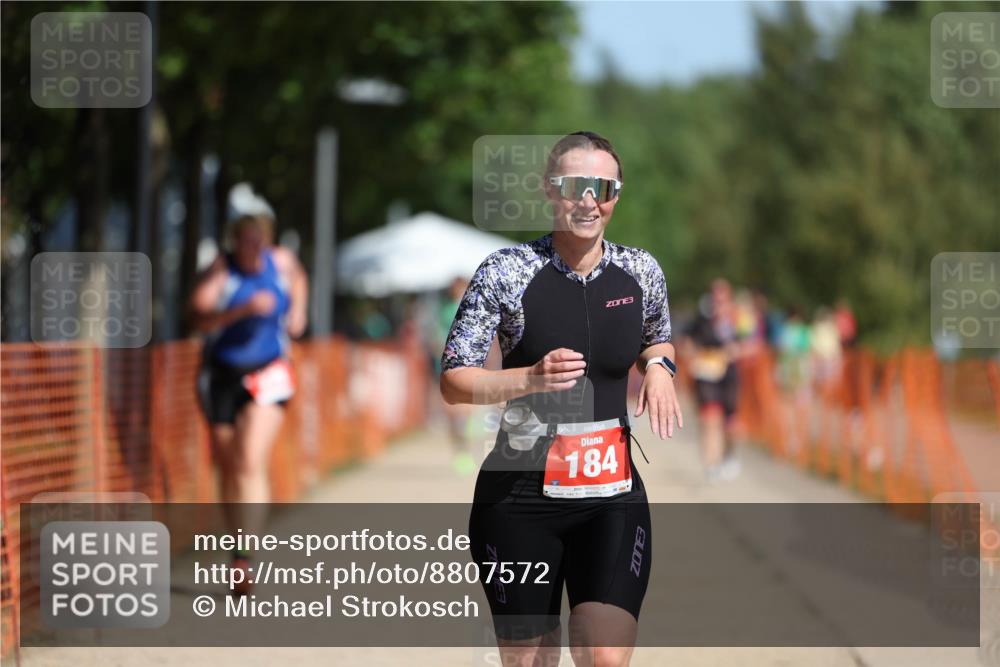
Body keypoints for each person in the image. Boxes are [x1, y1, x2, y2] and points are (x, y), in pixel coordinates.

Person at [440, 131, 681, 666]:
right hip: (518, 498)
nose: (589, 199)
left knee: (604, 652)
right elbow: (454, 378)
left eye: (603, 186)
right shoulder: (506, 271)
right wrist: (527, 379)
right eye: (575, 185)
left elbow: (656, 338)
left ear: (617, 193)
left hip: (611, 494)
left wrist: (661, 368)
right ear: (550, 191)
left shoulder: (641, 271)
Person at [191, 194, 308, 595]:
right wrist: (240, 311)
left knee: (248, 460)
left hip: (270, 372)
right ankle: (236, 546)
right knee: (228, 467)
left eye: (258, 239)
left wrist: (298, 312)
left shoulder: (282, 263)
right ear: (234, 240)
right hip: (222, 373)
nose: (252, 247)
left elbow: (300, 279)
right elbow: (199, 314)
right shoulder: (221, 270)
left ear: (267, 240)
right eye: (245, 239)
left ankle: (245, 557)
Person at [684, 279, 745, 482]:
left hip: (729, 377)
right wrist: (693, 354)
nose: (718, 302)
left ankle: (728, 456)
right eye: (715, 298)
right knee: (709, 419)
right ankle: (711, 464)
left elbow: (754, 343)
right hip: (707, 375)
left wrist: (737, 350)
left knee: (730, 425)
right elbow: (686, 340)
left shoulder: (738, 321)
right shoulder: (702, 319)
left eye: (722, 298)